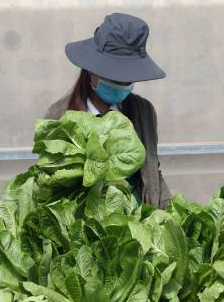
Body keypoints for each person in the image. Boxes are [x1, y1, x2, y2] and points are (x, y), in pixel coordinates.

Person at [44, 13, 172, 208]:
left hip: (140, 225)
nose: (122, 85)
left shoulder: (144, 112)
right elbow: (50, 184)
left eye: (128, 79)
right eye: (115, 77)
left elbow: (153, 172)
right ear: (92, 71)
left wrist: (168, 215)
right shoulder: (59, 117)